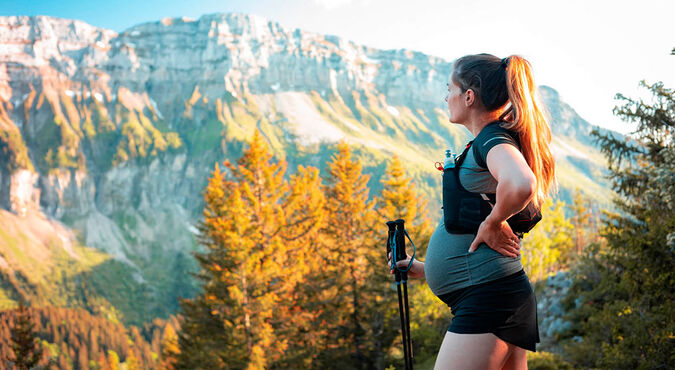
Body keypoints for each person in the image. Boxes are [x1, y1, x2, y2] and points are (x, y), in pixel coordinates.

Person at [390, 53, 556, 369]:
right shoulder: (487, 140)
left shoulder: (491, 139)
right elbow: (477, 221)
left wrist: (494, 222)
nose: (445, 96)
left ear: (469, 96)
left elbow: (521, 183)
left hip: (488, 301)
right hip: (498, 295)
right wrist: (428, 269)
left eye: (449, 88)